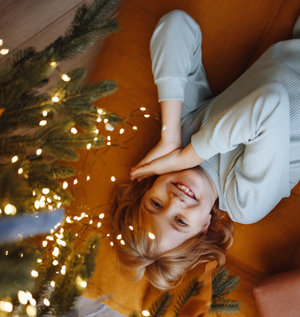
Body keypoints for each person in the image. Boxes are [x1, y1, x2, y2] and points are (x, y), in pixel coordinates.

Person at [111, 10, 300, 290]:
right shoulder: (244, 202)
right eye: (179, 221)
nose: (174, 200)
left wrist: (171, 136)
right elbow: (270, 103)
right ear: (204, 228)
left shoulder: (185, 131)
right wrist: (190, 154)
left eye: (156, 204)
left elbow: (176, 26)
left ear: (146, 188)